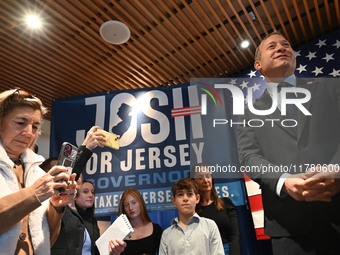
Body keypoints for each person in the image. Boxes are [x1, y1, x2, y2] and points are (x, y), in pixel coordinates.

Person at [237, 31, 340, 254]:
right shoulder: (247, 113)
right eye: (272, 46)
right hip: (288, 226)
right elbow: (248, 157)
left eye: (286, 44)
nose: (282, 48)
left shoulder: (332, 88)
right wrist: (284, 181)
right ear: (258, 64)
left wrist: (336, 169)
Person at [0, 88, 77, 255]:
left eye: (35, 126)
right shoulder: (41, 183)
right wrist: (34, 194)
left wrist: (56, 208)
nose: (29, 133)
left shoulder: (39, 174)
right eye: (20, 123)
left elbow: (46, 242)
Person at [51, 127, 127, 255]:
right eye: (59, 171)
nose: (68, 175)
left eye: (92, 192)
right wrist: (85, 148)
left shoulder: (88, 219)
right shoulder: (54, 211)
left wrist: (112, 251)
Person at [159, 178, 224, 255]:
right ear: (174, 200)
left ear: (197, 198)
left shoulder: (210, 226)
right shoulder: (167, 234)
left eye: (190, 194)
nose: (185, 199)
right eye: (180, 194)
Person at [191, 163, 240, 255]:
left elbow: (235, 235)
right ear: (194, 182)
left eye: (208, 176)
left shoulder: (225, 203)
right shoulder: (192, 210)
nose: (205, 180)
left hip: (227, 250)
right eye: (200, 177)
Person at [117, 188, 163, 255]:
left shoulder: (156, 229)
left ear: (140, 203)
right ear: (123, 209)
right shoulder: (118, 233)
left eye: (134, 203)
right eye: (126, 205)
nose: (131, 208)